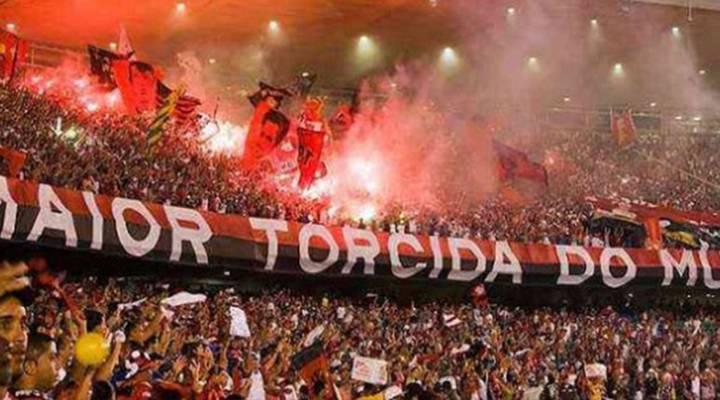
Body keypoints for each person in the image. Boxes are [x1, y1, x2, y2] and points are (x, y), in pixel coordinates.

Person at [296, 97, 331, 190]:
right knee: (305, 166)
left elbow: (328, 135)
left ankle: (305, 186)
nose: (313, 107)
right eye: (311, 104)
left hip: (314, 147)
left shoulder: (321, 120)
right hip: (305, 147)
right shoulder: (303, 117)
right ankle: (303, 185)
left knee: (310, 166)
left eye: (315, 105)